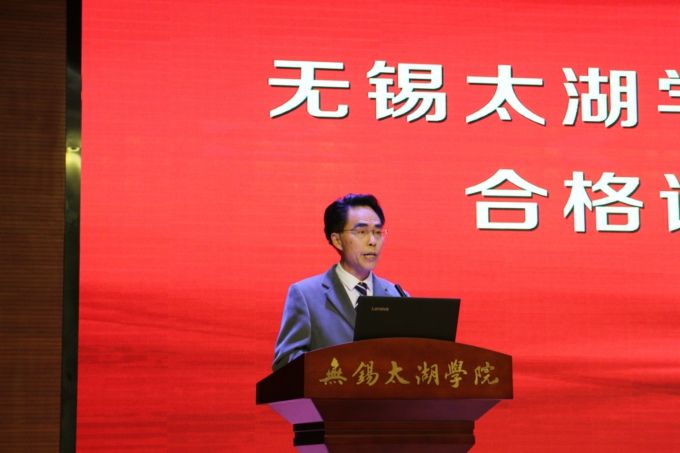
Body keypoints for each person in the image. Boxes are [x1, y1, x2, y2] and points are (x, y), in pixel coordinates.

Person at [272, 193, 403, 371]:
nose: (373, 241)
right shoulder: (305, 295)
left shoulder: (397, 296)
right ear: (337, 240)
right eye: (362, 232)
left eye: (378, 232)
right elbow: (285, 363)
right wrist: (342, 368)